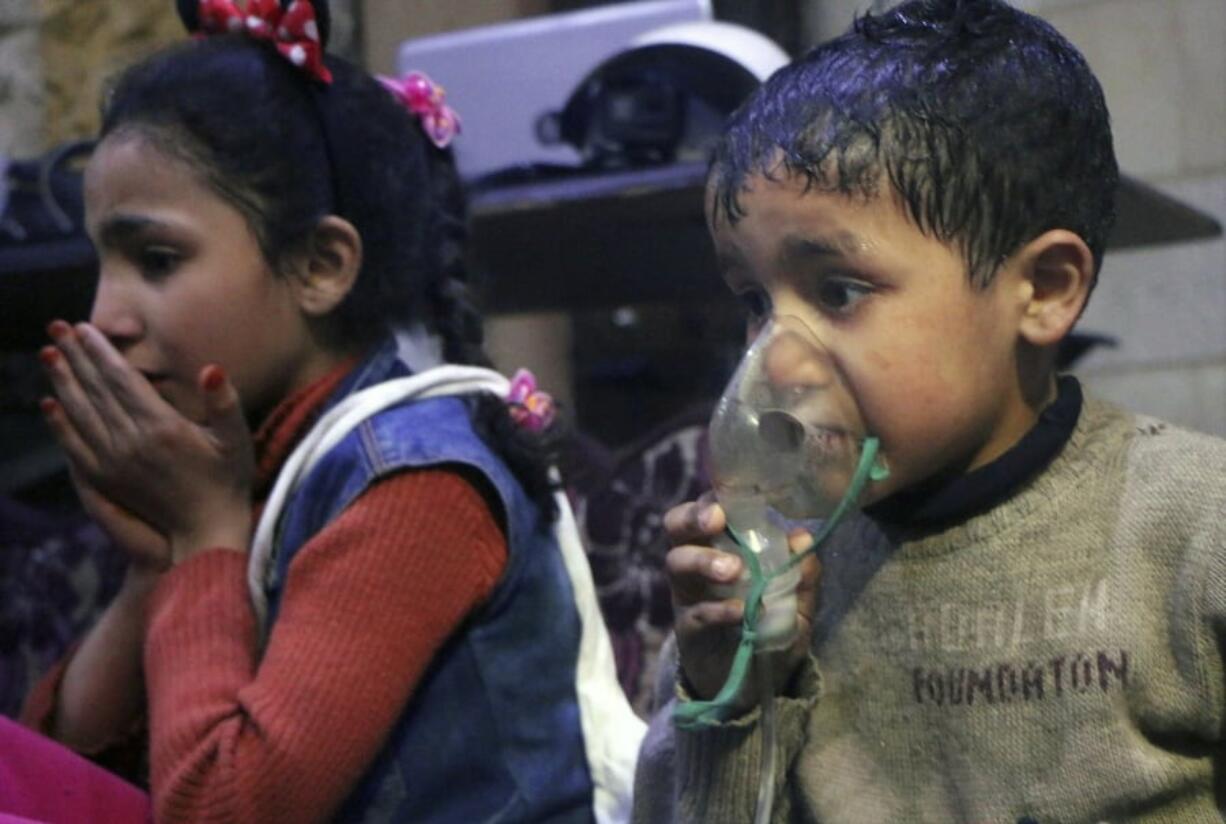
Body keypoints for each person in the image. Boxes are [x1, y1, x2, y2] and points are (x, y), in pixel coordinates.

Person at [19, 0, 642, 821]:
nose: (106, 318)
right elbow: (48, 782)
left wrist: (205, 536)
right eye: (101, 265)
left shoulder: (415, 484)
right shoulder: (253, 461)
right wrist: (157, 566)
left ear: (320, 265)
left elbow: (224, 808)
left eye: (157, 259)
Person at [631, 0, 1226, 821]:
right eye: (753, 302)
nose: (778, 360)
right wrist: (727, 690)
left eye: (838, 291)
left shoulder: (1195, 532)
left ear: (1044, 290)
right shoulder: (770, 565)